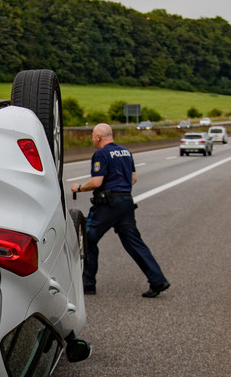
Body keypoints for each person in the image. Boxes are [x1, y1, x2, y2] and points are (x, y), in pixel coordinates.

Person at [70, 123, 170, 298]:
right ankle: (157, 280)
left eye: (93, 136)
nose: (92, 139)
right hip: (126, 202)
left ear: (98, 137)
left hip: (108, 205)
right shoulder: (125, 152)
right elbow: (133, 179)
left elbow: (96, 182)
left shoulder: (101, 154)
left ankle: (88, 284)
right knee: (134, 243)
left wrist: (78, 188)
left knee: (89, 237)